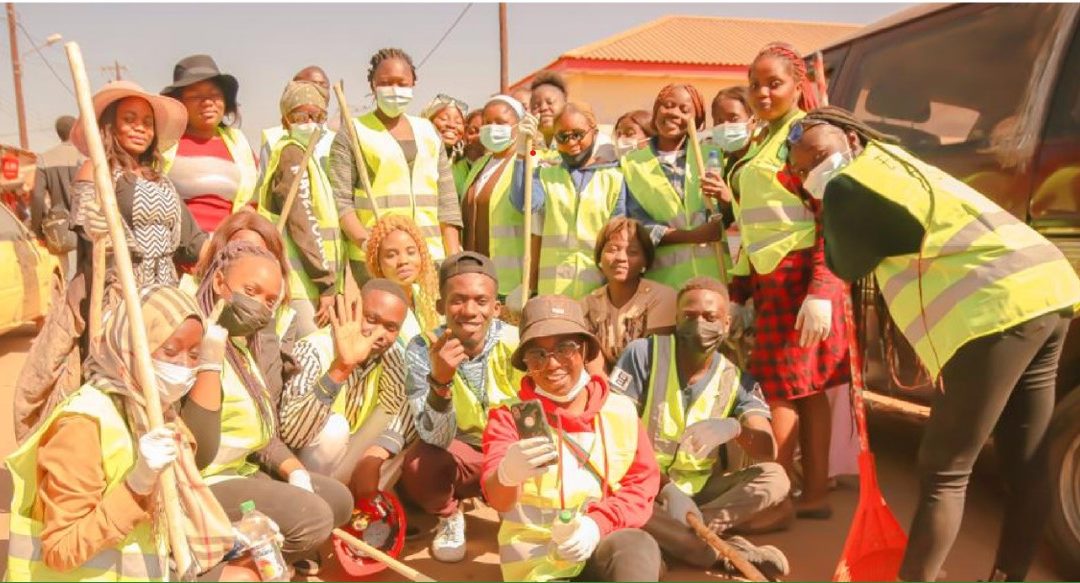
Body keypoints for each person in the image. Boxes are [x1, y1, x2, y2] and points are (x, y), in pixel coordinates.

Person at [785, 106, 1080, 582]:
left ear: (850, 141)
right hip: (1049, 289)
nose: (813, 171)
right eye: (802, 167)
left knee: (945, 468)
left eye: (819, 156)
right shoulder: (897, 161)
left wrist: (824, 205)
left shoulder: (851, 184)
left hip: (997, 310)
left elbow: (847, 263)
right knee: (1026, 460)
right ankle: (1010, 576)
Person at [6, 285, 251, 581]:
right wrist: (137, 485)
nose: (183, 367)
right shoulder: (83, 424)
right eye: (170, 351)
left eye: (194, 355)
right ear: (131, 347)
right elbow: (61, 550)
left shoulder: (156, 413)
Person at [726, 43, 850, 519]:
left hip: (801, 282)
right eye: (755, 84)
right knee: (807, 391)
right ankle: (811, 494)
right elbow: (750, 221)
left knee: (780, 391)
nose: (762, 92)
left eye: (773, 83)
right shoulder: (763, 138)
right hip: (770, 282)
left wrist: (821, 291)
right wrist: (740, 292)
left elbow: (833, 219)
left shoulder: (812, 137)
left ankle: (776, 501)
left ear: (798, 85)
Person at [609, 277, 791, 578]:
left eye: (710, 317)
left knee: (776, 478)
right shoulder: (643, 354)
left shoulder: (738, 379)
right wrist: (666, 489)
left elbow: (767, 447)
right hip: (639, 486)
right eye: (690, 316)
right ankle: (719, 549)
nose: (699, 325)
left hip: (700, 491)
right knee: (604, 499)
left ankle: (680, 539)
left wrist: (735, 429)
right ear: (676, 318)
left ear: (727, 322)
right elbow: (614, 429)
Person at [192, 240, 353, 570]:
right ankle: (237, 570)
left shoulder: (240, 348)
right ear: (220, 283)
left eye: (269, 300)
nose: (260, 307)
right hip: (203, 485)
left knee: (336, 500)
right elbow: (198, 452)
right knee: (313, 519)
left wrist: (296, 473)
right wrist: (207, 362)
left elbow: (262, 435)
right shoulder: (191, 343)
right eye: (251, 290)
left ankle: (264, 556)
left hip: (243, 472)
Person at [482, 294, 662, 582]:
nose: (552, 365)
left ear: (585, 350)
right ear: (526, 362)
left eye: (565, 348)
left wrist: (596, 525)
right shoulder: (509, 418)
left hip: (599, 543)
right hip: (536, 566)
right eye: (537, 354)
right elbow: (499, 501)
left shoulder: (620, 410)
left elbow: (641, 484)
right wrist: (507, 475)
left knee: (637, 546)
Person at [398, 252, 523, 562]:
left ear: (496, 307)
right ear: (441, 306)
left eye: (481, 301)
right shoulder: (421, 348)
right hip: (461, 456)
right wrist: (440, 382)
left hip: (512, 454)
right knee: (419, 463)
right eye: (457, 300)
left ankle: (514, 509)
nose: (469, 311)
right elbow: (435, 438)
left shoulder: (518, 343)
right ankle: (450, 516)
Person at [328, 47, 462, 284]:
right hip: (378, 260)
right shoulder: (353, 132)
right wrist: (367, 243)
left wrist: (453, 258)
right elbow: (341, 202)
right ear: (373, 86)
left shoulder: (428, 131)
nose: (394, 90)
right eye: (385, 83)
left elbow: (447, 202)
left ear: (413, 83)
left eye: (401, 83)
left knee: (431, 321)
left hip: (430, 256)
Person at [70, 80, 206, 290]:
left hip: (165, 290)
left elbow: (193, 241)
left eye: (147, 122)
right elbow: (86, 227)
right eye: (129, 119)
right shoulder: (96, 170)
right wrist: (95, 227)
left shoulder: (161, 181)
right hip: (118, 291)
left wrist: (236, 247)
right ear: (110, 125)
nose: (140, 128)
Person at [280, 280, 412, 489]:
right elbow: (292, 435)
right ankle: (314, 505)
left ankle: (362, 505)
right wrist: (342, 368)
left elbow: (407, 410)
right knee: (335, 429)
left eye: (390, 327)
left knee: (410, 431)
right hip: (302, 468)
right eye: (371, 319)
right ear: (353, 311)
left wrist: (378, 453)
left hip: (348, 461)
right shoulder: (313, 349)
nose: (379, 334)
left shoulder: (392, 356)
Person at [255, 80, 343, 337]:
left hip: (311, 280)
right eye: (301, 116)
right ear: (286, 121)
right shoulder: (292, 155)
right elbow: (302, 223)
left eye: (317, 116)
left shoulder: (307, 156)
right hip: (303, 282)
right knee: (312, 352)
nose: (310, 123)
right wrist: (325, 284)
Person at [514, 102, 627, 300]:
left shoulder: (614, 178)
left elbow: (619, 238)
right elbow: (524, 203)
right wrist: (522, 152)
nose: (571, 142)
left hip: (598, 290)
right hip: (554, 291)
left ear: (594, 132)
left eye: (578, 134)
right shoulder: (545, 175)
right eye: (562, 137)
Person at [621, 83, 727, 290]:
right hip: (662, 283)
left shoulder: (713, 156)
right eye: (667, 105)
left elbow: (730, 214)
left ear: (696, 120)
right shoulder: (631, 164)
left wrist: (725, 200)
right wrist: (693, 236)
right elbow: (636, 225)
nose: (674, 113)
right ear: (655, 110)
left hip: (714, 278)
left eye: (684, 110)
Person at [162, 54, 259, 233]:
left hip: (228, 249)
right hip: (176, 249)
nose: (207, 102)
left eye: (214, 95)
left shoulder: (240, 146)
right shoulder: (164, 143)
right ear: (179, 103)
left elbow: (255, 201)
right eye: (195, 96)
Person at [461, 95, 533, 299]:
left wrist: (528, 147)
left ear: (518, 125)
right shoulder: (480, 165)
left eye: (501, 122)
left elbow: (539, 155)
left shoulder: (529, 159)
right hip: (475, 275)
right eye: (487, 123)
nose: (493, 128)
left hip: (510, 282)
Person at [582, 217, 676, 372]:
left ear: (645, 262)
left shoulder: (662, 298)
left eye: (632, 252)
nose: (621, 258)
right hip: (605, 389)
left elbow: (654, 359)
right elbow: (594, 364)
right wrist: (604, 391)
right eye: (612, 249)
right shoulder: (587, 305)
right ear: (599, 258)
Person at [364, 214, 440, 344]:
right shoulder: (374, 309)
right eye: (391, 255)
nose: (403, 261)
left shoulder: (429, 298)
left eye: (411, 252)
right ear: (377, 263)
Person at [31, 115, 83, 279]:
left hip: (58, 229)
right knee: (85, 276)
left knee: (64, 276)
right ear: (76, 131)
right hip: (85, 227)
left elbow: (37, 197)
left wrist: (37, 229)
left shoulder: (44, 159)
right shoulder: (85, 157)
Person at [259, 66, 334, 174]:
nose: (319, 91)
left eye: (324, 86)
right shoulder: (273, 140)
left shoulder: (335, 141)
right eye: (313, 85)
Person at [422, 93, 468, 161]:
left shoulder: (464, 161)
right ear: (428, 121)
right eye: (443, 119)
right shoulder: (415, 153)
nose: (451, 125)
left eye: (458, 122)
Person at [453, 109, 485, 199]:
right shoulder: (452, 168)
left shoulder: (498, 167)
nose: (477, 138)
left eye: (484, 133)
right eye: (472, 132)